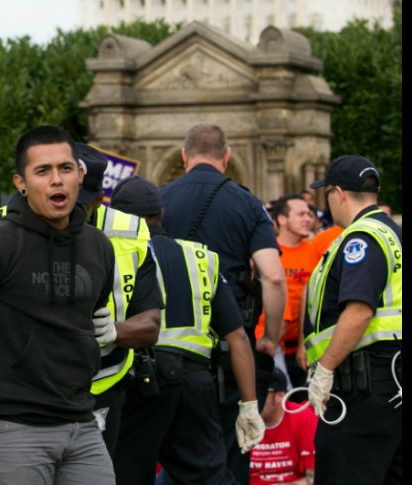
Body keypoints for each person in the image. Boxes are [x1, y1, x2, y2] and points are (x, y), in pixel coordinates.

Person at [0, 125, 117, 484]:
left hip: (82, 422)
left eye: (66, 169)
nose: (57, 180)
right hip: (13, 428)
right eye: (43, 171)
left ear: (80, 176)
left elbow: (89, 317)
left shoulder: (99, 246)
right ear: (20, 183)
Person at [110, 176, 263, 485]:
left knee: (124, 474)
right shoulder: (200, 257)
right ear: (161, 214)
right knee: (208, 477)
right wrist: (249, 405)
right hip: (194, 383)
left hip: (137, 379)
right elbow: (237, 337)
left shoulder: (112, 252)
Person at [160, 123, 286, 484]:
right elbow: (273, 277)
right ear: (226, 157)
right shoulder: (247, 204)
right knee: (229, 453)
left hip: (169, 350)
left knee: (175, 456)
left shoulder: (160, 200)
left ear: (184, 156)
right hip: (233, 351)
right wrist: (270, 338)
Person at [304, 155, 402, 485]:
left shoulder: (361, 238)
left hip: (363, 386)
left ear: (338, 193)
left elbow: (359, 311)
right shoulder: (392, 233)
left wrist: (325, 370)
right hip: (389, 384)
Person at [75, 143, 163, 458]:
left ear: (100, 198)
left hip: (102, 384)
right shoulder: (7, 221)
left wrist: (116, 331)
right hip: (29, 389)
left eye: (83, 202)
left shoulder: (129, 231)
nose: (72, 209)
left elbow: (152, 322)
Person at [257, 195, 319, 390]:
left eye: (309, 214)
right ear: (282, 219)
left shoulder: (315, 252)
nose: (308, 219)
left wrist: (304, 344)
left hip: (304, 347)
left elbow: (311, 298)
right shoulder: (265, 252)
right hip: (268, 346)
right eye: (301, 214)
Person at [250, 368, 316, 485]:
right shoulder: (240, 419)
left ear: (279, 396)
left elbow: (313, 477)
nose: (252, 400)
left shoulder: (302, 417)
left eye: (259, 393)